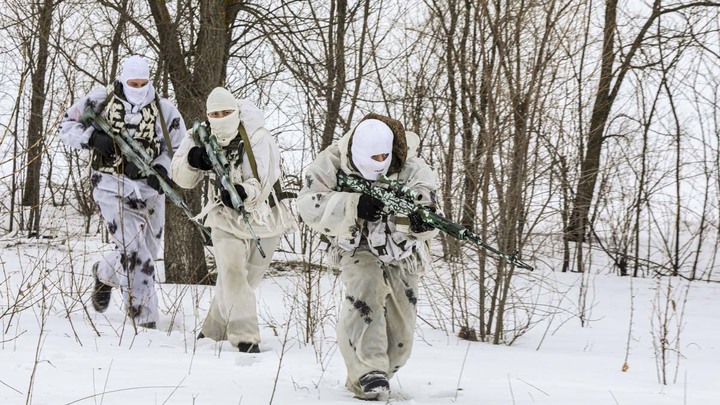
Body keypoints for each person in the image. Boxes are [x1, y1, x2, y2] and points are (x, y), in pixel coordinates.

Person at [296, 114, 439, 400]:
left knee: (401, 338)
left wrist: (420, 222)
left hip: (401, 250)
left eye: (383, 155)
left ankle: (379, 372)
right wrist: (353, 205)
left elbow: (425, 200)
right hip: (355, 246)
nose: (380, 160)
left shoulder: (411, 165)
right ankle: (367, 372)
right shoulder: (331, 163)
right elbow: (307, 206)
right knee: (366, 289)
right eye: (372, 156)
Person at [60, 55, 185, 329]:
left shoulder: (165, 111)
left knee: (148, 252)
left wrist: (163, 171)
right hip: (109, 184)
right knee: (136, 253)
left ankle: (104, 272)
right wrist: (92, 138)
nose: (138, 87)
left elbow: (178, 149)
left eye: (143, 83)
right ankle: (145, 320)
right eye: (132, 83)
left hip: (150, 189)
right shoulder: (100, 101)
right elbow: (66, 125)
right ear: (122, 80)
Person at [170, 87, 294, 353]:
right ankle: (245, 337)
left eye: (226, 113)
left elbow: (262, 181)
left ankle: (211, 332)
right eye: (215, 114)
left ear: (236, 112)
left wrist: (241, 192)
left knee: (244, 282)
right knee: (232, 272)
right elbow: (180, 175)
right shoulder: (200, 134)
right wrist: (194, 160)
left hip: (265, 218)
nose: (221, 118)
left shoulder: (258, 137)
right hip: (224, 217)